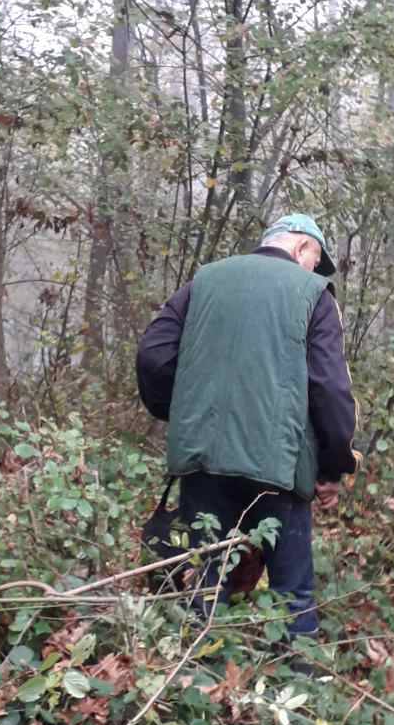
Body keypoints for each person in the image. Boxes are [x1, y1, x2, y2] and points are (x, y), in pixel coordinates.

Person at [136, 214, 358, 638]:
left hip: (202, 458)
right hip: (281, 466)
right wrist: (333, 469)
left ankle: (197, 692)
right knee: (292, 593)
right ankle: (301, 694)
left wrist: (184, 414)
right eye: (316, 259)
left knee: (204, 585)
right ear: (300, 249)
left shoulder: (205, 280)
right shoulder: (314, 294)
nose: (315, 270)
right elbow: (329, 388)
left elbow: (153, 355)